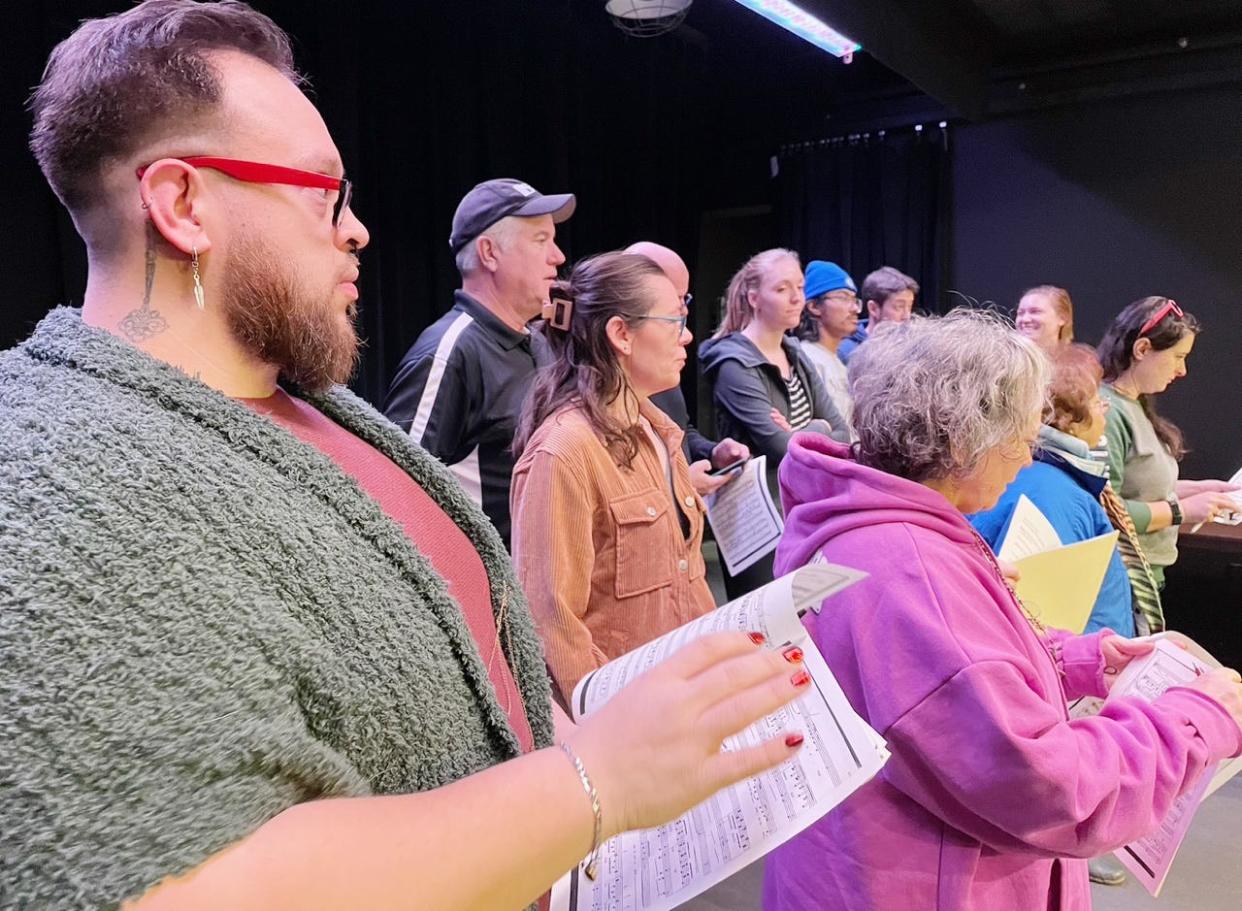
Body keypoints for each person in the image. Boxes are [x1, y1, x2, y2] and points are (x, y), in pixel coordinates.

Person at [0, 4, 810, 908]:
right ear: (184, 204)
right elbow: (184, 881)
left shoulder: (322, 409)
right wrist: (595, 782)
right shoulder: (53, 480)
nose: (357, 231)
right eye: (324, 194)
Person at [763, 311, 1242, 911]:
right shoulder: (911, 567)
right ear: (964, 440)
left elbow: (930, 683)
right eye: (1021, 434)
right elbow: (1045, 787)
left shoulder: (857, 522)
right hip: (922, 882)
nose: (1026, 457)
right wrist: (1195, 718)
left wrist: (1079, 657)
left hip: (852, 864)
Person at [510, 252, 718, 699]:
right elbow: (552, 626)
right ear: (621, 334)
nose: (687, 337)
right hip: (628, 731)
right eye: (673, 321)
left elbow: (690, 582)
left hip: (684, 705)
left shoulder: (659, 433)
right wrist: (611, 730)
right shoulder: (564, 453)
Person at [384, 176, 574, 549]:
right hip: (489, 596)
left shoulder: (540, 344)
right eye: (541, 241)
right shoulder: (449, 353)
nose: (558, 256)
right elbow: (395, 497)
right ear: (489, 253)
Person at [699, 248, 848, 598]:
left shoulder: (794, 351)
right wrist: (816, 428)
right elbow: (782, 448)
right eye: (782, 289)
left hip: (801, 506)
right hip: (757, 520)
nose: (796, 297)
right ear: (754, 298)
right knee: (766, 627)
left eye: (798, 286)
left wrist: (804, 432)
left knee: (806, 621)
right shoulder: (733, 363)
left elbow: (841, 431)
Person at [971, 344, 1142, 638]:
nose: (1105, 408)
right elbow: (1048, 616)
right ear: (1069, 419)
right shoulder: (1053, 493)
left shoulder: (1050, 479)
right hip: (1087, 669)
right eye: (1096, 400)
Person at [1098, 296, 1239, 588]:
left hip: (1141, 576)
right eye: (1178, 356)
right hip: (1121, 578)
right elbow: (1105, 511)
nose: (1182, 370)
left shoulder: (1134, 406)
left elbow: (1140, 491)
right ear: (1142, 349)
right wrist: (1183, 511)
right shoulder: (1108, 412)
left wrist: (1204, 490)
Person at [626, 241, 749, 498]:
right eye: (674, 301)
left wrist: (711, 452)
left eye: (684, 299)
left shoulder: (661, 361)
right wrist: (680, 486)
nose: (683, 314)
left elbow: (680, 428)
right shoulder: (597, 399)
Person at [794, 259, 859, 440]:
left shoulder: (836, 360)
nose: (854, 308)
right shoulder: (808, 358)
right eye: (843, 297)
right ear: (814, 306)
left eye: (855, 300)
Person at [837, 264, 919, 363]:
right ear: (873, 308)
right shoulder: (847, 353)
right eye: (899, 307)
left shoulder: (911, 348)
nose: (907, 316)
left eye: (909, 307)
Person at [1015, 284, 1074, 350]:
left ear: (1062, 318)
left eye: (1035, 312)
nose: (1025, 319)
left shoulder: (1080, 358)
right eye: (1020, 313)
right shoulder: (1006, 357)